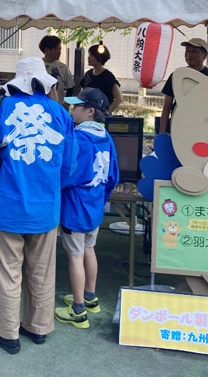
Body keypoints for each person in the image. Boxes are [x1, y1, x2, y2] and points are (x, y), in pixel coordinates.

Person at [0, 57, 77, 355]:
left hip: (6, 205)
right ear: (44, 82)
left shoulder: (0, 107)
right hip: (45, 207)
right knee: (41, 270)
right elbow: (69, 166)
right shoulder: (60, 113)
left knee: (8, 272)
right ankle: (37, 327)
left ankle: (7, 333)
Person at [56, 88, 119, 329]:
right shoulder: (106, 137)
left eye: (77, 106)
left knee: (74, 256)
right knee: (89, 250)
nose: (73, 109)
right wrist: (100, 198)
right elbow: (113, 175)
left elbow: (67, 174)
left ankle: (78, 310)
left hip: (75, 206)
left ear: (90, 111)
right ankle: (90, 298)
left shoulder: (78, 138)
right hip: (94, 205)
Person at [158, 38, 208, 134]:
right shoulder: (176, 75)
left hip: (204, 128)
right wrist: (162, 133)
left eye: (194, 51)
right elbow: (167, 106)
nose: (189, 55)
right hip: (179, 126)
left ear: (204, 55)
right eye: (187, 51)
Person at [80, 44, 122, 114]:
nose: (88, 57)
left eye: (91, 55)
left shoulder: (108, 76)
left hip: (101, 115)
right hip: (88, 113)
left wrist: (107, 112)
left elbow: (119, 98)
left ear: (99, 57)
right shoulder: (88, 74)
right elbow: (82, 93)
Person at [39, 35, 74, 106]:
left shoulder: (63, 67)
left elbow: (71, 88)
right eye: (56, 49)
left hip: (59, 106)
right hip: (41, 106)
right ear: (47, 50)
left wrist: (67, 104)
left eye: (60, 49)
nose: (59, 52)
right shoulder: (37, 66)